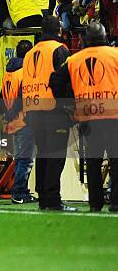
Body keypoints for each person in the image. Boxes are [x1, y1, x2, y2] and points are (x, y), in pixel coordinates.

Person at [50, 22, 118, 213]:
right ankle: (116, 203)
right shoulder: (115, 55)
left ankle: (95, 204)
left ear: (85, 40)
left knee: (93, 162)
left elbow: (54, 81)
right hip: (114, 116)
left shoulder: (73, 60)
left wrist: (68, 106)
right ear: (105, 37)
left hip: (88, 117)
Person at [22, 15, 75, 212]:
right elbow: (63, 81)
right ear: (59, 30)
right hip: (53, 110)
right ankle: (53, 199)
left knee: (43, 155)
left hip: (33, 109)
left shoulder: (30, 53)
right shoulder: (58, 49)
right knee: (55, 157)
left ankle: (44, 198)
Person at [0, 39, 37, 204]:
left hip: (12, 121)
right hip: (23, 120)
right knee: (25, 158)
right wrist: (13, 113)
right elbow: (22, 98)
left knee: (21, 157)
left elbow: (1, 98)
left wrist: (6, 115)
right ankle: (19, 192)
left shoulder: (8, 73)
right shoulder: (26, 72)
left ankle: (21, 191)